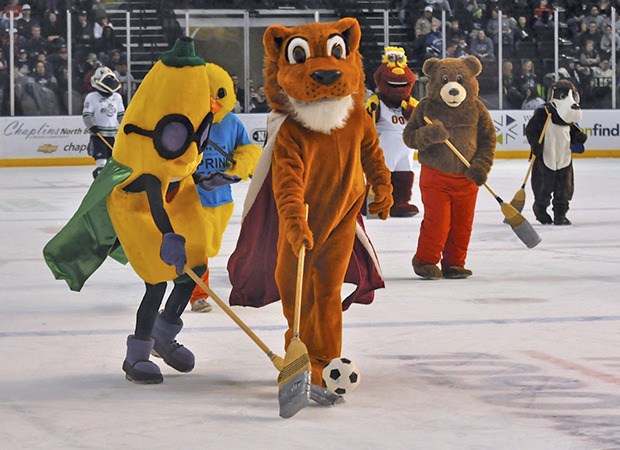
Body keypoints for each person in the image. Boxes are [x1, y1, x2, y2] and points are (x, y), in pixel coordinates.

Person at [188, 63, 260, 312]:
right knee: (198, 249)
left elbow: (247, 151)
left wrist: (234, 172)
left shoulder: (232, 122)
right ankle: (198, 294)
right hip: (190, 198)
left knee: (209, 246)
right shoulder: (188, 121)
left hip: (222, 200)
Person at [82, 66, 124, 178]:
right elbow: (87, 115)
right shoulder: (91, 97)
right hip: (98, 136)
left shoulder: (117, 97)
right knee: (102, 161)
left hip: (112, 136)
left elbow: (121, 115)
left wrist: (124, 127)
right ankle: (99, 181)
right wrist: (92, 127)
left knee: (112, 162)